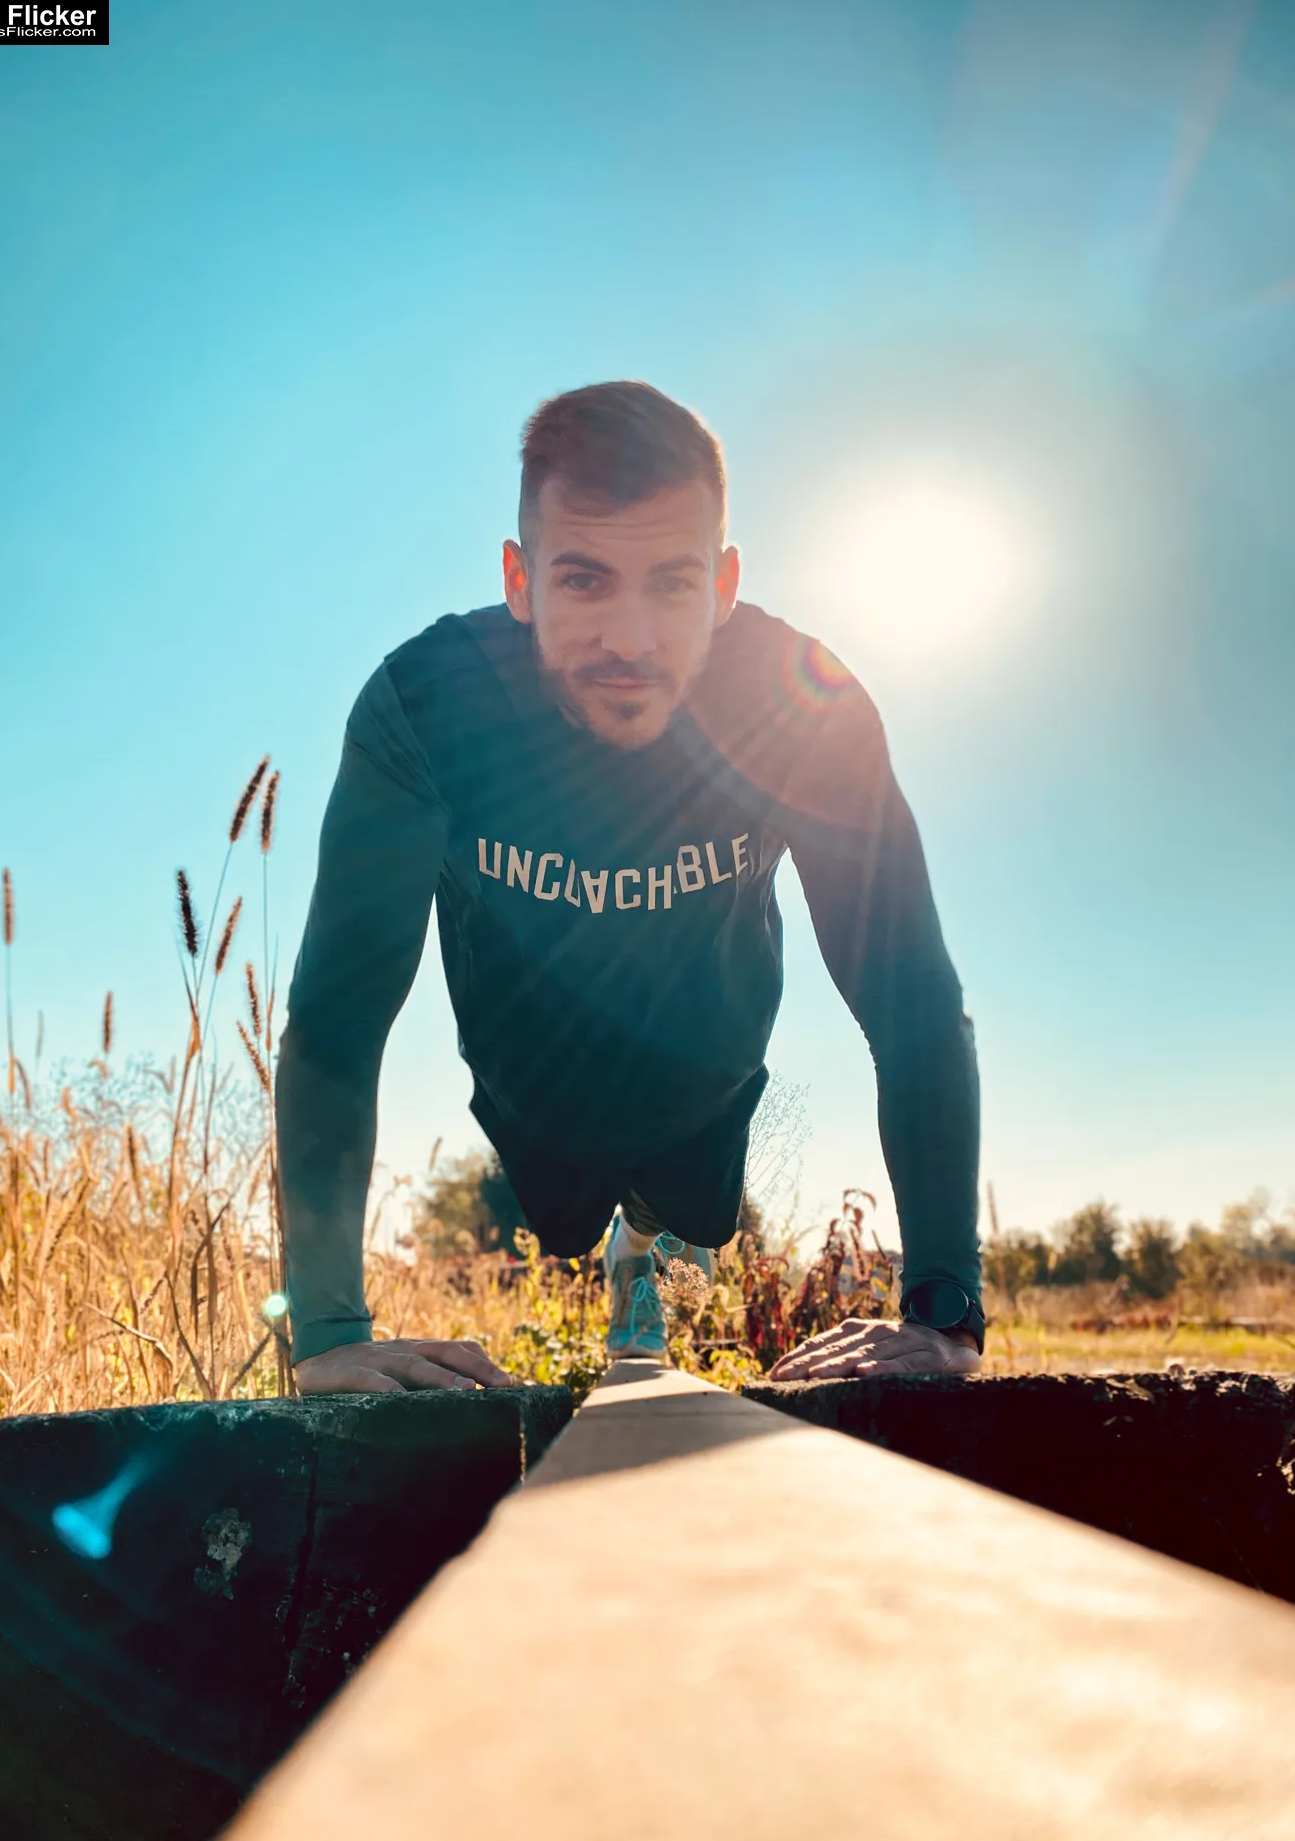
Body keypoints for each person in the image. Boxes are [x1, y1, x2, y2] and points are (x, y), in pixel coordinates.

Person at [277, 381, 983, 1395]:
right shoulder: (424, 710)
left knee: (679, 1216)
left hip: (706, 1090)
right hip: (534, 1104)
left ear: (726, 583)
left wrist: (945, 1309)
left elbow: (911, 998)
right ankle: (617, 1253)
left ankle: (639, 1252)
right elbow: (335, 1026)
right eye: (584, 582)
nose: (631, 639)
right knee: (560, 1225)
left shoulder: (805, 706)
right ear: (519, 581)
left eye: (673, 584)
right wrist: (329, 1334)